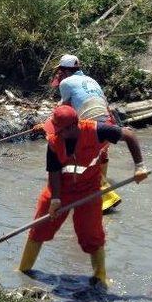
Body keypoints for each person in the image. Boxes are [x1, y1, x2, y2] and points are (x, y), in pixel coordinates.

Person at [18, 105, 148, 289]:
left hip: (89, 189)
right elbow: (54, 171)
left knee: (92, 235)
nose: (55, 133)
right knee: (40, 227)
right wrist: (55, 199)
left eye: (59, 130)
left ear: (72, 127)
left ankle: (100, 277)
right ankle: (23, 270)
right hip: (60, 189)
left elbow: (129, 135)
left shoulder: (97, 130)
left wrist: (139, 166)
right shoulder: (54, 141)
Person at [50, 54, 122, 211]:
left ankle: (106, 198)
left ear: (64, 70)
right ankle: (100, 186)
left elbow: (64, 111)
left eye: (60, 71)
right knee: (101, 155)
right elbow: (105, 105)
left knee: (81, 157)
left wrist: (48, 125)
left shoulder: (66, 83)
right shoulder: (91, 80)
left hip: (92, 123)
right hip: (108, 122)